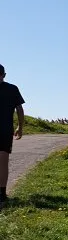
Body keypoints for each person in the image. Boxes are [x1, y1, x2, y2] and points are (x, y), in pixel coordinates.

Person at [0, 64, 25, 205]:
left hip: (4, 130)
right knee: (3, 161)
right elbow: (19, 109)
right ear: (4, 75)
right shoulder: (12, 89)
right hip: (5, 130)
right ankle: (2, 194)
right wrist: (20, 127)